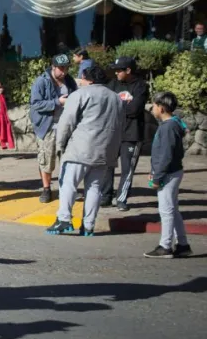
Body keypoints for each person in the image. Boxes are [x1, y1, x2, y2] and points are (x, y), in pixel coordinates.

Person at [45, 66, 125, 237]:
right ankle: (88, 226)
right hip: (105, 150)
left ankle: (64, 219)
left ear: (86, 78)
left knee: (68, 184)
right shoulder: (115, 98)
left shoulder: (80, 95)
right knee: (95, 188)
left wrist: (60, 145)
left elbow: (66, 122)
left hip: (80, 148)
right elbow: (120, 125)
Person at [144, 92, 192, 258]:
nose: (153, 108)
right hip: (172, 171)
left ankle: (165, 246)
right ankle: (183, 244)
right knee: (173, 209)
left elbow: (165, 155)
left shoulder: (168, 127)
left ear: (162, 108)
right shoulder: (174, 124)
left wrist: (157, 176)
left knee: (166, 211)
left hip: (168, 174)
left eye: (155, 105)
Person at [102, 56, 149, 212]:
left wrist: (115, 109)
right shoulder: (112, 85)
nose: (116, 73)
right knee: (107, 166)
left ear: (128, 70)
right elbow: (105, 106)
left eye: (119, 70)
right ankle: (106, 196)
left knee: (127, 169)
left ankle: (121, 199)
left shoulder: (140, 87)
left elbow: (134, 110)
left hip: (132, 134)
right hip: (113, 133)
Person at [29, 53, 77, 203]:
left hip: (66, 126)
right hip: (47, 126)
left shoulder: (69, 81)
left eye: (67, 68)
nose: (64, 71)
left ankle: (65, 189)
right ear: (53, 67)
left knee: (67, 160)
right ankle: (46, 189)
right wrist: (58, 102)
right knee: (46, 161)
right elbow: (35, 104)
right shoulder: (41, 82)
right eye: (61, 68)